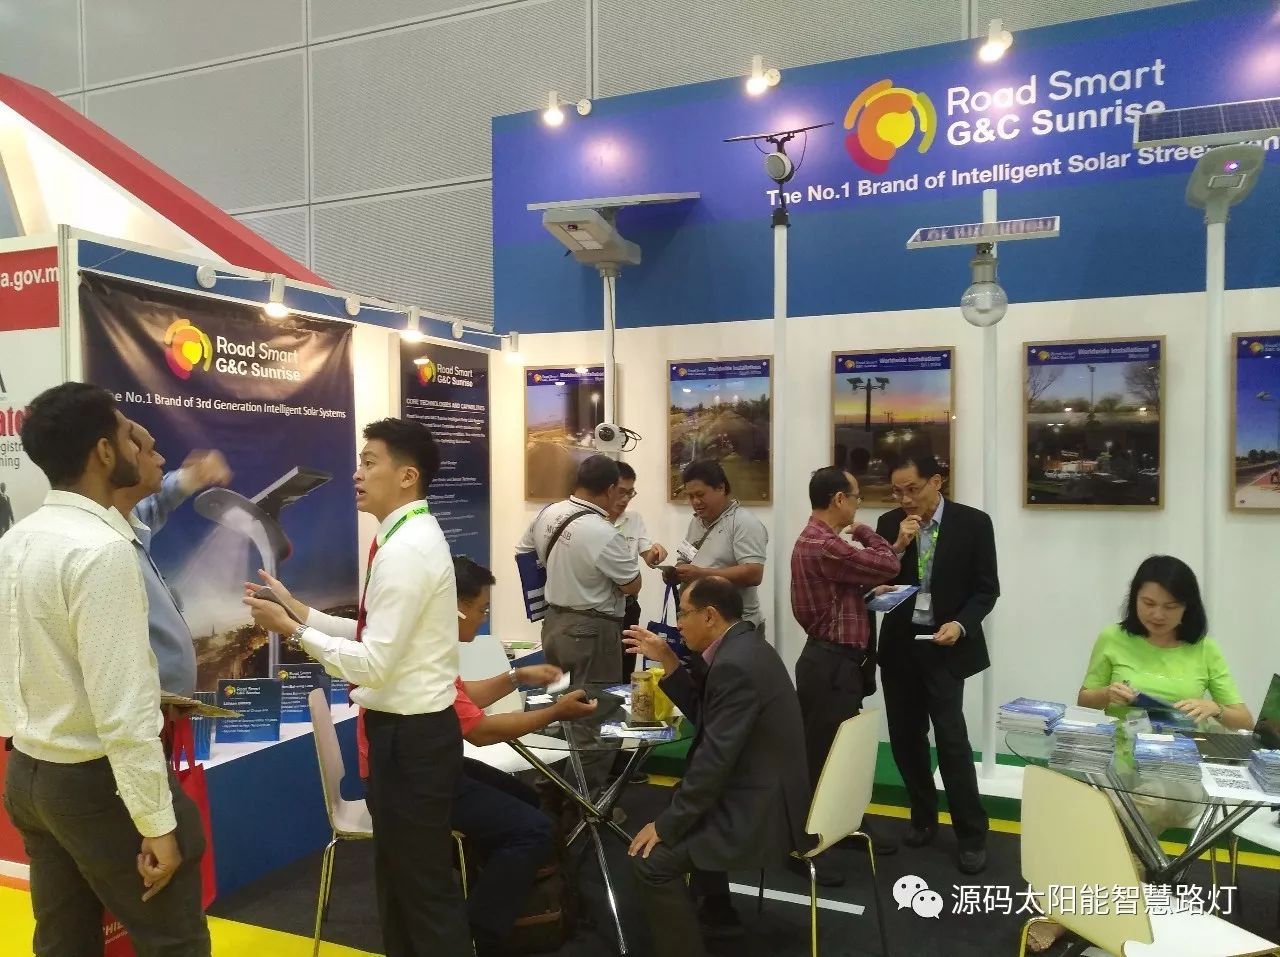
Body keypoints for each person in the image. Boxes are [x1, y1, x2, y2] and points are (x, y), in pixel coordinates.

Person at [245, 418, 470, 957]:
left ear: (407, 476)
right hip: (408, 737)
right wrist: (300, 610)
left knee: (422, 894)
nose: (357, 473)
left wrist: (292, 631)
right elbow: (376, 634)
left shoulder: (407, 550)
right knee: (401, 886)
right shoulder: (403, 538)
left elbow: (373, 664)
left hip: (412, 741)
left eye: (370, 462)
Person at [0, 382, 211, 955]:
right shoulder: (101, 551)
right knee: (175, 940)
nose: (143, 448)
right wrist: (156, 823)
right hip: (95, 780)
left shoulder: (17, 540)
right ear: (102, 452)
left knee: (62, 940)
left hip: (28, 772)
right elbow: (122, 709)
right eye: (128, 437)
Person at [1026, 554, 1250, 954]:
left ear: (1188, 607)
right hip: (1116, 761)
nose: (1158, 615)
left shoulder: (1204, 649)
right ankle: (1121, 909)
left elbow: (1242, 718)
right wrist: (1107, 694)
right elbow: (1085, 698)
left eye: (1170, 606)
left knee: (1117, 815)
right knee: (1094, 808)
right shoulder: (1112, 638)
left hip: (1177, 772)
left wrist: (1213, 708)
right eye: (1148, 603)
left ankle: (1071, 914)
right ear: (1134, 600)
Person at [623, 577, 811, 957]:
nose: (678, 624)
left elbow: (714, 761)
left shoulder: (735, 665)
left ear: (709, 616)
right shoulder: (745, 647)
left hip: (761, 811)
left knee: (651, 861)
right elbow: (709, 718)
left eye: (683, 614)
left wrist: (667, 825)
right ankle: (718, 914)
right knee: (683, 801)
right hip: (765, 790)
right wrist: (669, 659)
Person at [448, 555, 598, 955]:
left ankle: (498, 895)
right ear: (457, 607)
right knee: (533, 829)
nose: (482, 619)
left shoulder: (434, 647)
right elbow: (480, 731)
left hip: (436, 765)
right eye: (481, 610)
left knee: (528, 801)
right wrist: (555, 712)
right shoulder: (425, 653)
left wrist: (518, 675)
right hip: (423, 779)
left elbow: (464, 699)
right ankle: (479, 933)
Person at [874, 450, 998, 875]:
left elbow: (986, 589)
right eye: (897, 492)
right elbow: (878, 583)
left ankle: (971, 834)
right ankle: (923, 817)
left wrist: (961, 624)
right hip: (900, 647)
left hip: (945, 647)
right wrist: (897, 547)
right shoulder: (889, 524)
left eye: (912, 489)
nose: (905, 499)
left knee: (951, 740)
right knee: (906, 739)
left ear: (936, 482)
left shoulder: (973, 524)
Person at [790, 466, 900, 884]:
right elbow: (888, 563)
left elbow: (837, 594)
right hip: (830, 665)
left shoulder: (821, 542)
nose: (857, 506)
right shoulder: (827, 544)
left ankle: (843, 823)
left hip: (835, 663)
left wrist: (865, 592)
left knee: (840, 752)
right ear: (839, 499)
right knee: (819, 755)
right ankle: (804, 846)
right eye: (855, 498)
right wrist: (867, 532)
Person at [516, 453, 641, 790]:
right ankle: (585, 805)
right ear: (611, 488)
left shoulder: (548, 513)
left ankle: (549, 794)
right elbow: (632, 585)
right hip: (593, 632)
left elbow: (525, 551)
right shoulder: (603, 532)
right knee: (596, 718)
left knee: (557, 712)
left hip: (554, 624)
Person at [113, 421, 232, 695]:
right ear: (108, 456)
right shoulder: (102, 546)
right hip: (143, 714)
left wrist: (191, 477)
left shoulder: (127, 520)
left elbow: (157, 503)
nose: (161, 460)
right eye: (150, 451)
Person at [668, 460, 768, 640]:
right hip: (702, 627)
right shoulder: (696, 521)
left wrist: (702, 575)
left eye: (700, 494)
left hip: (736, 628)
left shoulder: (744, 522)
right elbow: (685, 557)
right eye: (690, 496)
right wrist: (677, 572)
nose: (695, 502)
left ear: (721, 488)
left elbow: (754, 574)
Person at [612, 460, 667, 678]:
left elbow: (648, 556)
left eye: (630, 493)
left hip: (628, 606)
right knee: (602, 673)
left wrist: (657, 552)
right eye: (621, 492)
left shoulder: (633, 518)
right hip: (600, 611)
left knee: (626, 670)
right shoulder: (589, 521)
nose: (625, 499)